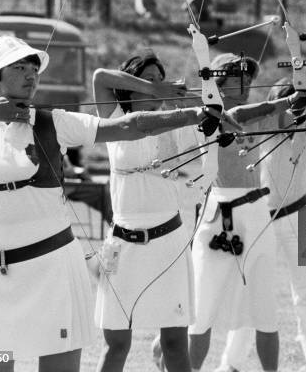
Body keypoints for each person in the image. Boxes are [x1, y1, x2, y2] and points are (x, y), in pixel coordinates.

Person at [0, 35, 221, 372]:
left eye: (34, 68)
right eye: (19, 67)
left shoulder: (54, 122)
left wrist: (197, 113)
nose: (31, 75)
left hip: (52, 270)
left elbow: (128, 126)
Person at [188, 53, 306, 372]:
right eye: (238, 77)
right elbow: (239, 113)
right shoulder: (206, 117)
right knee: (201, 311)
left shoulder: (259, 117)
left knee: (265, 309)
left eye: (249, 79)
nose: (246, 84)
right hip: (218, 213)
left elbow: (290, 114)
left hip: (256, 211)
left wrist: (300, 93)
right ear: (217, 81)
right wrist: (281, 104)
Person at [92, 49, 200, 372]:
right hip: (124, 241)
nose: (156, 85)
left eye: (160, 79)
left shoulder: (174, 118)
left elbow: (207, 111)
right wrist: (155, 89)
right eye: (148, 79)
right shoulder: (114, 118)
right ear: (131, 84)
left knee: (175, 345)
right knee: (117, 344)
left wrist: (189, 99)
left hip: (169, 241)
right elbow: (100, 77)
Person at [215, 79, 306, 372]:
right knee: (247, 290)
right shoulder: (260, 126)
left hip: (300, 216)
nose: (291, 107)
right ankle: (231, 362)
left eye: (297, 101)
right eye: (285, 101)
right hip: (262, 219)